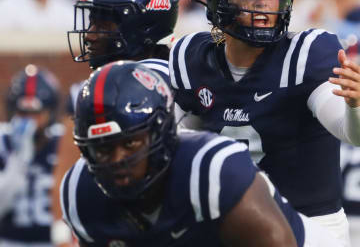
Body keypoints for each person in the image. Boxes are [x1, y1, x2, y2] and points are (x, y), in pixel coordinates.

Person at [169, 0, 360, 246]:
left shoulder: (306, 55)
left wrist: (354, 105)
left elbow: (351, 132)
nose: (262, 3)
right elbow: (171, 141)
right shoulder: (192, 58)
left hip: (310, 227)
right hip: (233, 227)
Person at [60, 60, 340, 247]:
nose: (118, 160)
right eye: (104, 149)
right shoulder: (81, 192)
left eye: (130, 144)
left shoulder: (211, 172)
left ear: (162, 132)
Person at [51, 0, 179, 246]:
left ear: (138, 25)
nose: (91, 34)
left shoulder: (137, 85)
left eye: (103, 22)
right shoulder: (179, 73)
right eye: (91, 21)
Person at [0, 64, 64, 246]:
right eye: (22, 112)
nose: (29, 120)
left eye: (36, 113)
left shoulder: (62, 143)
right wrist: (19, 161)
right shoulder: (3, 142)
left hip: (52, 242)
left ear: (50, 113)